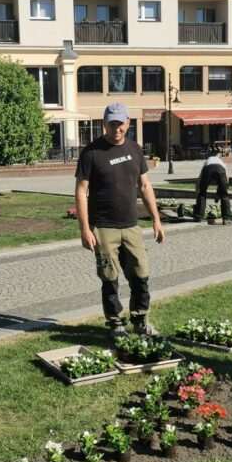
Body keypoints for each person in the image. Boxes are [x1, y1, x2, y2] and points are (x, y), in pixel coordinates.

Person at [75, 103, 165, 339]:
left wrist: (156, 220)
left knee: (141, 275)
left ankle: (140, 320)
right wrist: (85, 228)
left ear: (128, 123)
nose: (117, 128)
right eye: (112, 123)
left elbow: (144, 185)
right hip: (104, 227)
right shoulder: (91, 152)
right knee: (110, 279)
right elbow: (81, 191)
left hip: (132, 225)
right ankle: (116, 324)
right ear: (104, 123)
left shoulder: (135, 149)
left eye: (121, 123)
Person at [192, 144, 232, 224]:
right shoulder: (221, 162)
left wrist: (197, 191)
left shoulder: (207, 161)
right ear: (219, 154)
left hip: (208, 169)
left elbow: (199, 178)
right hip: (220, 169)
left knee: (202, 193)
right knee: (224, 195)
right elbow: (227, 179)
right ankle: (226, 218)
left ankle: (199, 217)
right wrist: (223, 190)